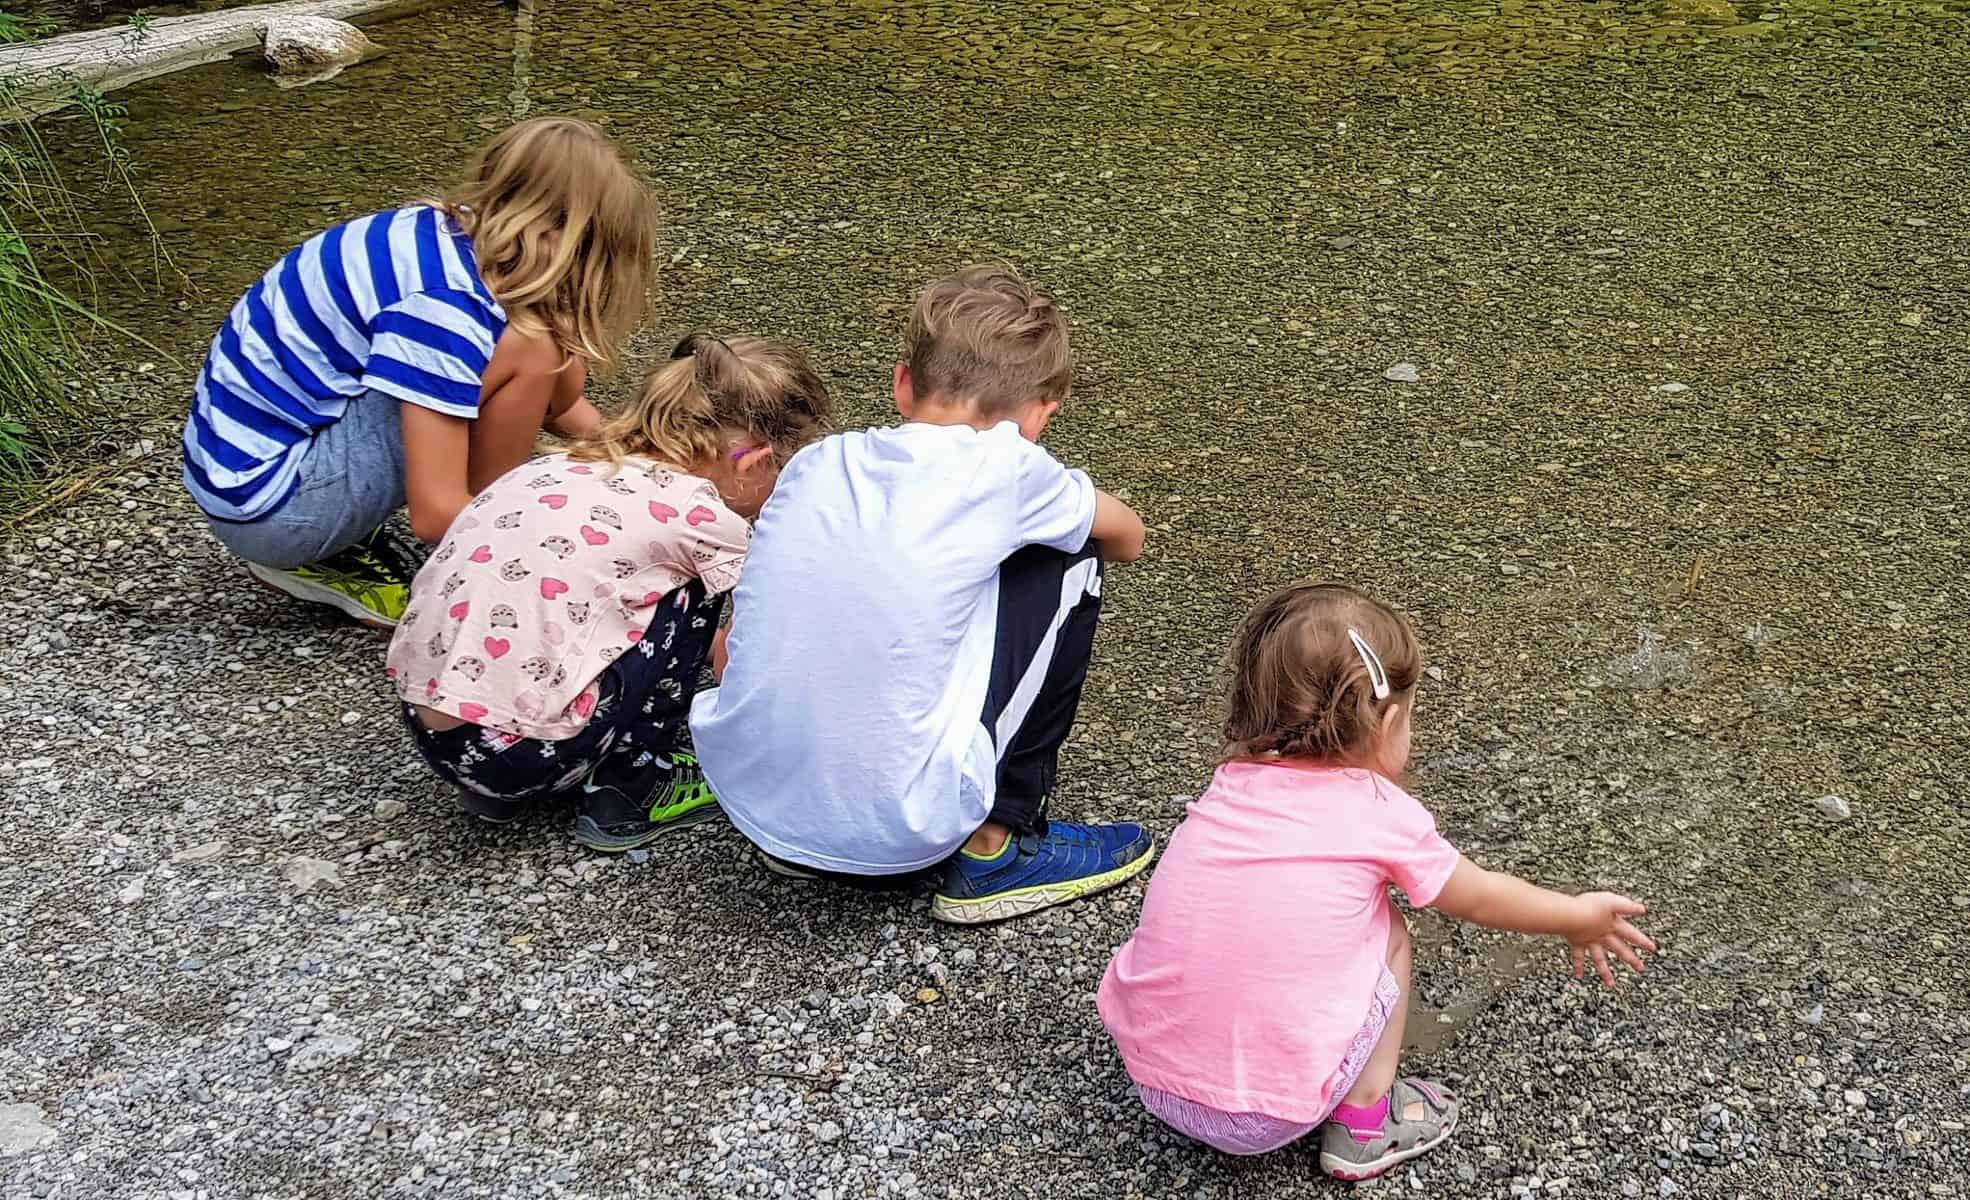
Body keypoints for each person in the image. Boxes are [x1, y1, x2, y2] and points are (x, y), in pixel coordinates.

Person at [1097, 583, 1656, 1181]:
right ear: (1388, 721)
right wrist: (1575, 915)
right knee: (1389, 929)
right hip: (1266, 1117)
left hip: (1153, 1080)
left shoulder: (1228, 785)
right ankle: (1365, 1126)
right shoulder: (1378, 812)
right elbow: (1478, 895)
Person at [690, 264, 1154, 924]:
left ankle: (808, 809)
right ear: (1039, 415)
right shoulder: (1008, 467)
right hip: (895, 831)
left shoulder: (819, 463)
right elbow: (1128, 536)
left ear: (903, 384)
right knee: (1074, 553)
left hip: (754, 802)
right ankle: (996, 850)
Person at [182, 117, 658, 628]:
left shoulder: (439, 233)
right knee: (532, 349)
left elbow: (562, 405)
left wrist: (640, 462)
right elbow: (435, 513)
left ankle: (455, 524)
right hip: (274, 509)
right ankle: (483, 550)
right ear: (560, 237)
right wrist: (551, 558)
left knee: (539, 339)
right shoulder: (446, 309)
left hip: (238, 472)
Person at [385, 332, 831, 851]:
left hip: (433, 728)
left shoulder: (552, 467)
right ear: (752, 462)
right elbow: (769, 622)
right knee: (696, 589)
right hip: (527, 756)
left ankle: (495, 789)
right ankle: (635, 786)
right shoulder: (701, 515)